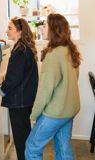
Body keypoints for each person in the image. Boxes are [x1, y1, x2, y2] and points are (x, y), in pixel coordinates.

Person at [25, 13, 81, 160]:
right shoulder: (70, 50)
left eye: (45, 26)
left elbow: (44, 91)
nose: (42, 29)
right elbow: (75, 79)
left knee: (31, 148)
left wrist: (34, 114)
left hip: (55, 113)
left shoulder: (53, 55)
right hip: (70, 110)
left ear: (54, 30)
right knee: (64, 150)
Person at [0, 17, 38, 160]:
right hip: (25, 99)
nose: (7, 31)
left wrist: (2, 89)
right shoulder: (25, 47)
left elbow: (14, 78)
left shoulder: (20, 50)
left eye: (10, 28)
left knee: (21, 140)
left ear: (20, 31)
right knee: (24, 136)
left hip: (19, 102)